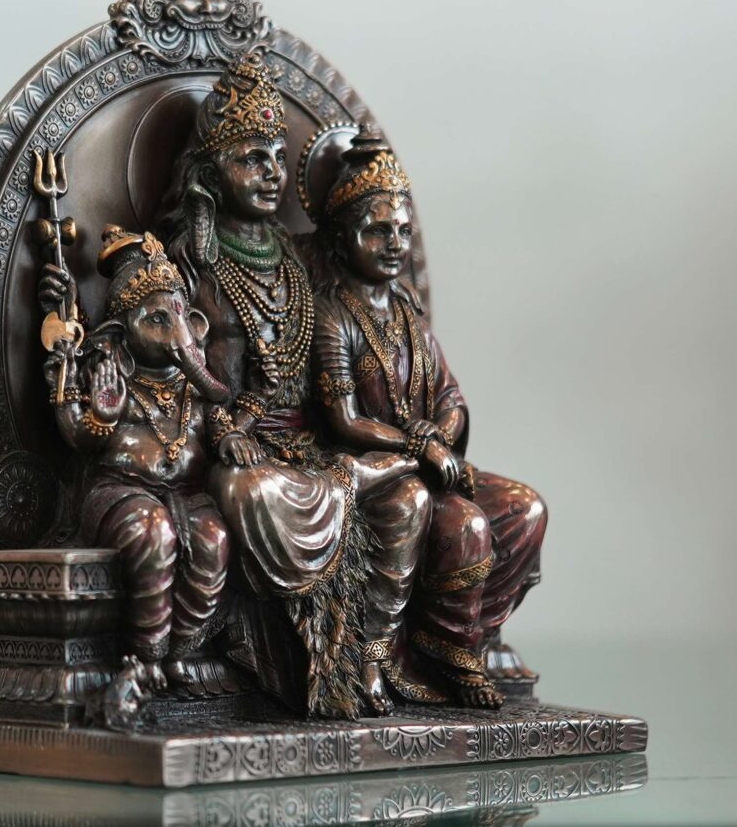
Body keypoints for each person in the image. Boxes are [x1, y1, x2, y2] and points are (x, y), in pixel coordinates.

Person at [158, 51, 431, 717]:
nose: (271, 173)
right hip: (230, 446)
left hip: (312, 441)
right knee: (252, 492)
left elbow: (358, 312)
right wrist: (220, 425)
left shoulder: (299, 254)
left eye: (278, 158)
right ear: (210, 172)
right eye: (252, 159)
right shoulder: (187, 260)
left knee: (409, 500)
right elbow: (163, 361)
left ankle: (370, 658)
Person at [309, 127, 547, 708]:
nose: (393, 244)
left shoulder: (407, 312)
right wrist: (418, 447)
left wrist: (439, 435)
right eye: (377, 230)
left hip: (430, 462)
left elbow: (450, 397)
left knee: (524, 509)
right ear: (341, 237)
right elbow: (344, 420)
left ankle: (473, 639)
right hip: (379, 474)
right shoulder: (334, 316)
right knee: (463, 524)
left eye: (402, 231)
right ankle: (430, 653)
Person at [41, 227, 230, 693]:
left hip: (188, 495)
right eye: (157, 320)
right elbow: (79, 437)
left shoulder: (191, 384)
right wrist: (102, 416)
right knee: (152, 531)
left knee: (215, 539)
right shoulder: (111, 373)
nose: (175, 331)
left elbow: (220, 418)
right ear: (121, 335)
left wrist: (231, 438)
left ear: (195, 324)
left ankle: (180, 649)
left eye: (180, 317)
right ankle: (146, 654)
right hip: (120, 491)